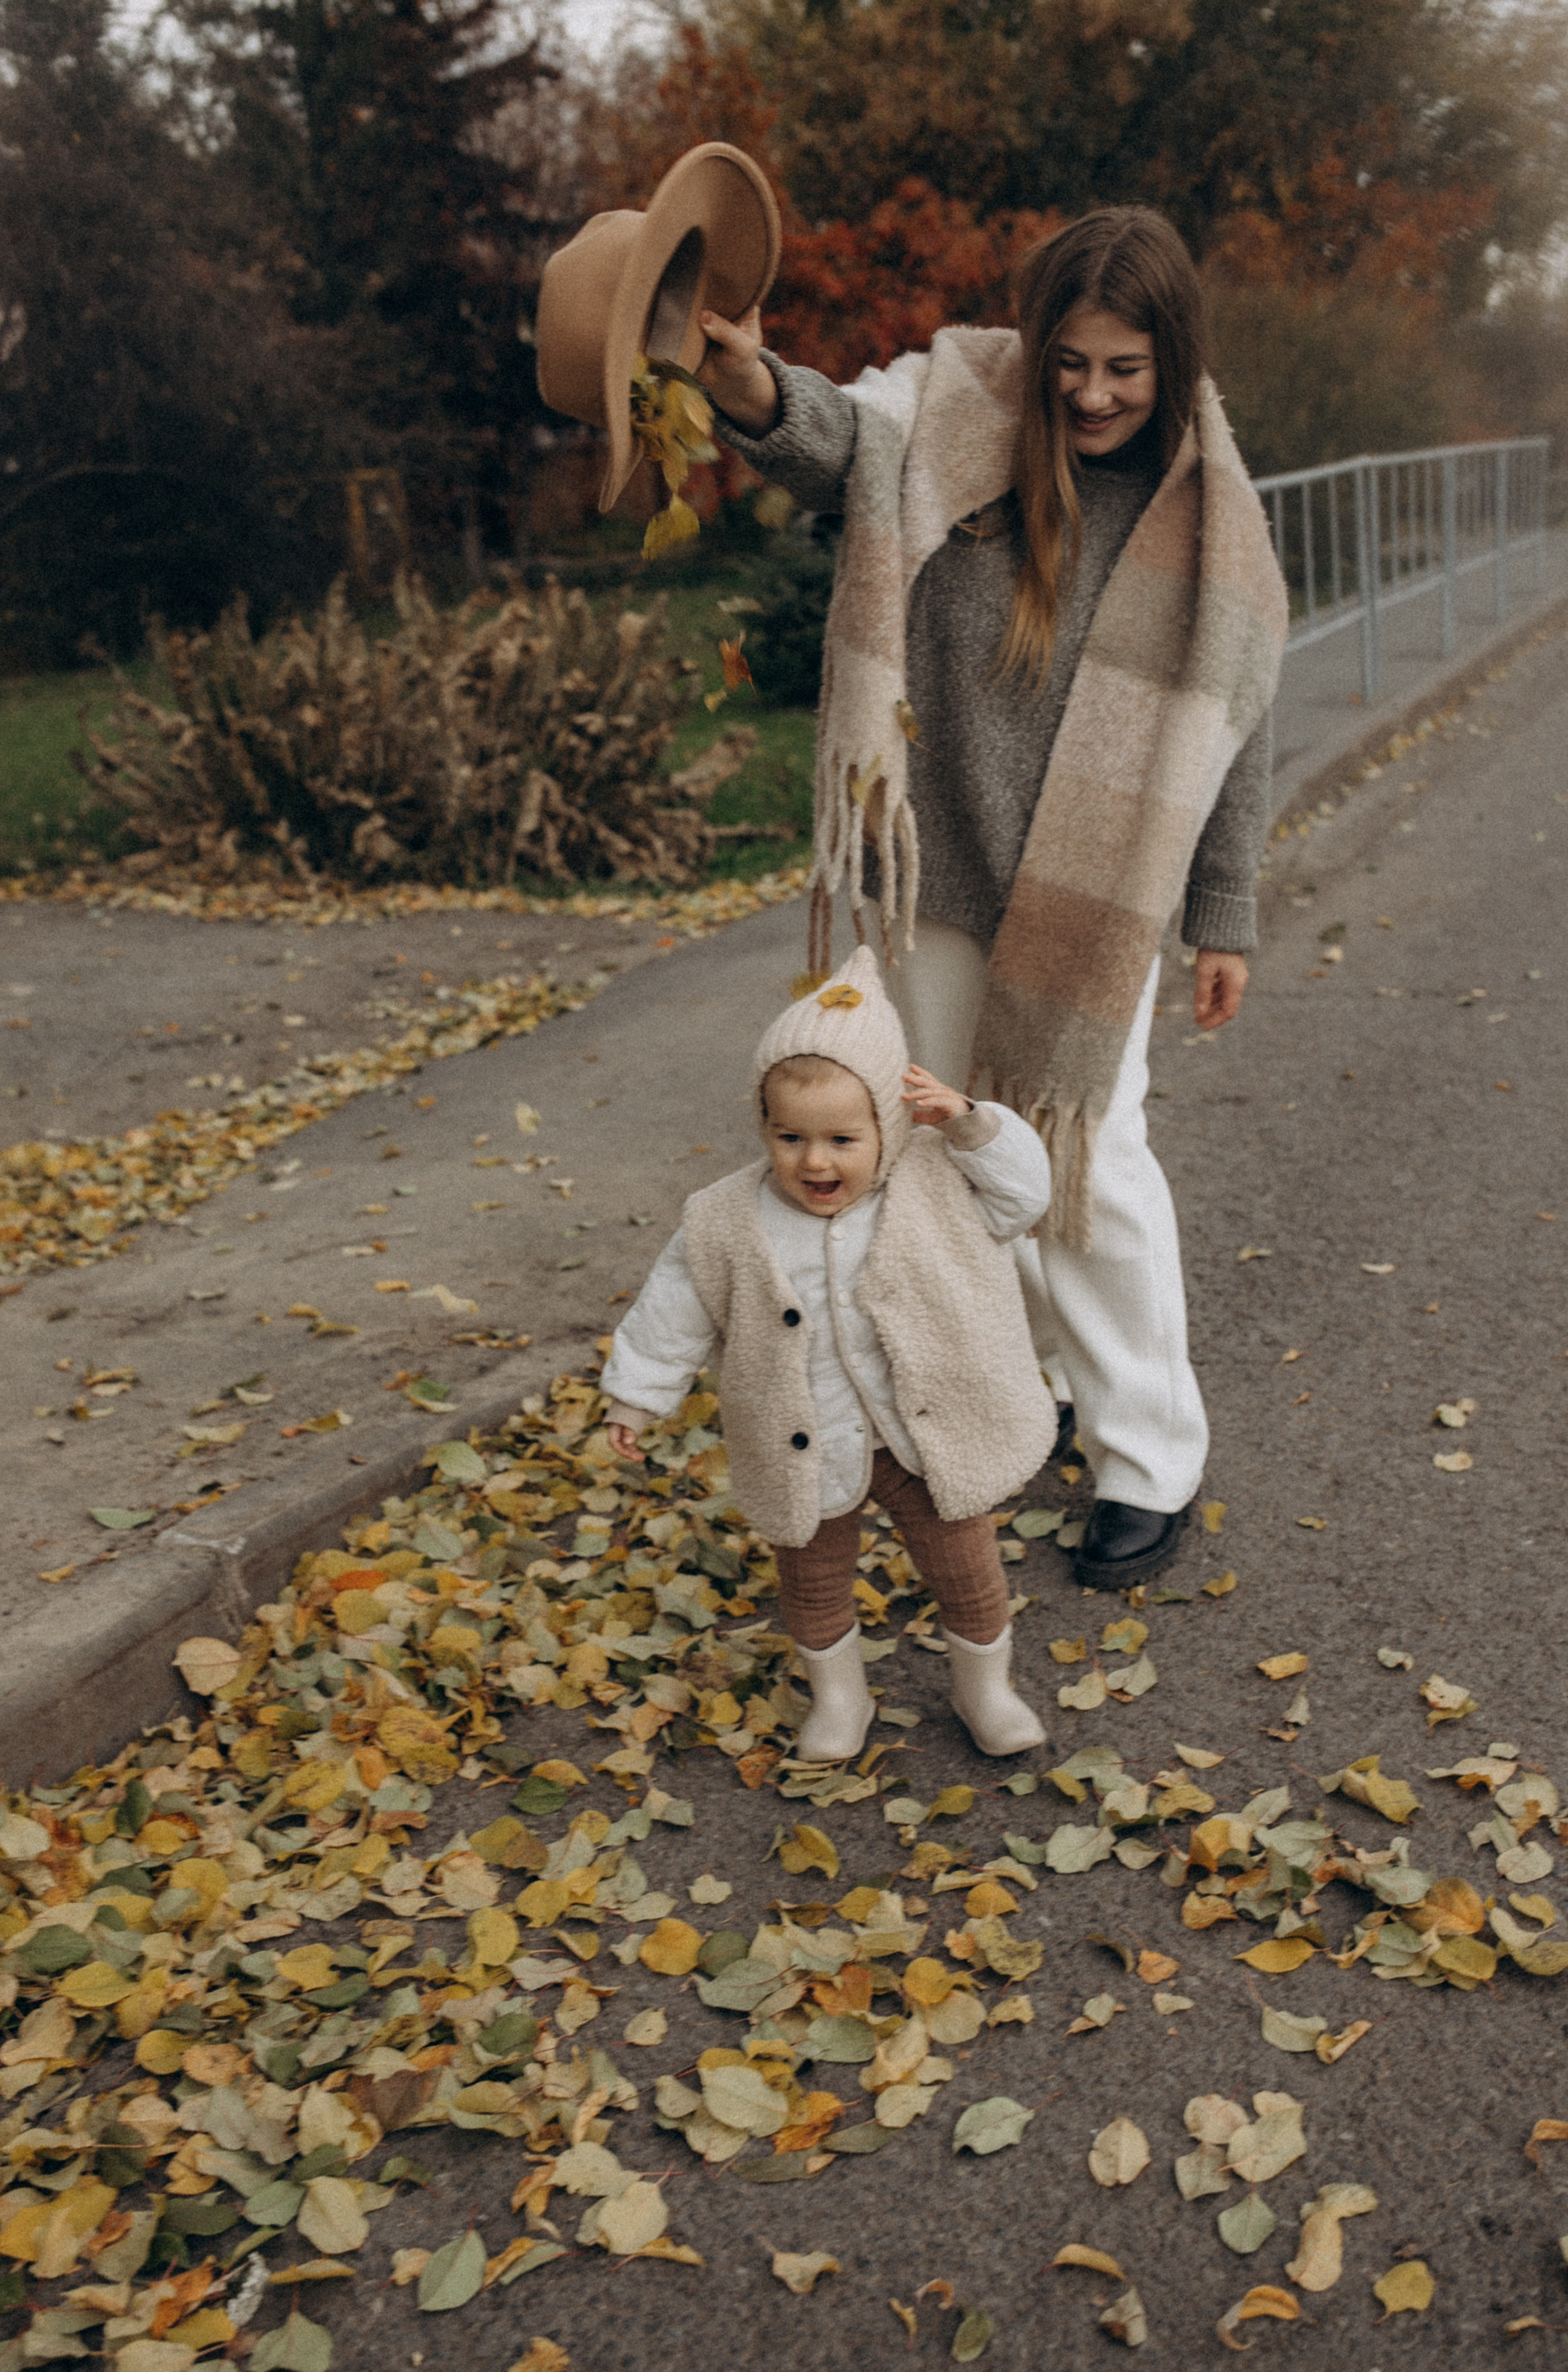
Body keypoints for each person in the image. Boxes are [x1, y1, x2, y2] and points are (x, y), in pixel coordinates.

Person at [696, 206, 1288, 1589]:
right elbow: (839, 440)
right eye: (1070, 361)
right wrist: (743, 386)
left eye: (1124, 370)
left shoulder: (1207, 506)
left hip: (1101, 900)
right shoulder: (958, 411)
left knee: (1091, 1168)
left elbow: (1240, 724)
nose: (1089, 394)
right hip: (945, 868)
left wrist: (1225, 912)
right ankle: (1031, 1407)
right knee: (959, 1161)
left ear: (1170, 362)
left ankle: (1151, 1458)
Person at [601, 943, 1055, 1764]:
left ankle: (985, 1689)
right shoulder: (725, 1219)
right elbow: (674, 1307)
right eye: (790, 1137)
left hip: (923, 1438)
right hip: (802, 1439)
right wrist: (637, 1393)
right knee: (812, 1585)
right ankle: (840, 1699)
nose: (815, 1161)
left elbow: (1026, 1194)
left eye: (843, 1138)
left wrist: (970, 1123)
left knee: (965, 1567)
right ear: (764, 1128)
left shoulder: (938, 1179)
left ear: (890, 1122)